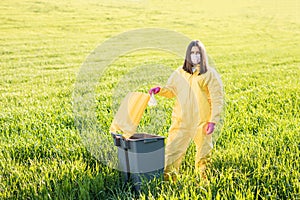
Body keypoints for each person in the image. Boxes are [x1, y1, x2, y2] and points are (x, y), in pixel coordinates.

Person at [149, 40, 224, 182]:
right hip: (181, 119)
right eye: (192, 53)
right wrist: (160, 90)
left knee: (203, 153)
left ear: (203, 55)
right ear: (187, 55)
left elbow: (216, 99)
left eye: (197, 53)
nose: (195, 56)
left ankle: (204, 181)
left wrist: (213, 121)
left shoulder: (209, 74)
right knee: (172, 151)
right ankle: (169, 181)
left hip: (201, 120)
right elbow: (171, 90)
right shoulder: (180, 72)